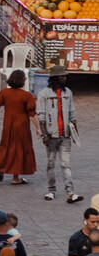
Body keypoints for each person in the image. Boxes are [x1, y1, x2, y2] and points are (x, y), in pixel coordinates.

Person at [37, 72, 81, 202]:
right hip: (51, 136)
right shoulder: (44, 94)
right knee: (51, 164)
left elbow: (72, 114)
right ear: (55, 78)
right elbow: (41, 116)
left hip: (65, 135)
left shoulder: (68, 93)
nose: (65, 78)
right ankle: (51, 190)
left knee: (65, 164)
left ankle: (70, 192)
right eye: (62, 76)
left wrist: (75, 133)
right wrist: (44, 134)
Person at [0, 67, 38, 184]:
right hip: (22, 125)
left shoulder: (4, 93)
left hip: (8, 124)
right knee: (19, 149)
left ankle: (0, 167)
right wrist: (38, 128)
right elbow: (32, 115)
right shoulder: (27, 96)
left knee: (5, 146)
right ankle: (15, 177)